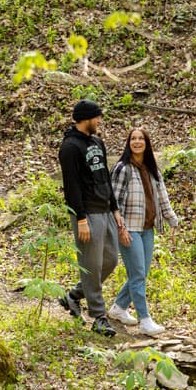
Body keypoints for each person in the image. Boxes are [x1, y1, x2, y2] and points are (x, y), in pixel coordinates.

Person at [57, 99, 127, 337]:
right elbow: (72, 187)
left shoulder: (97, 141)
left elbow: (105, 177)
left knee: (109, 261)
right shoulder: (70, 147)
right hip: (87, 214)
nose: (100, 121)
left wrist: (114, 209)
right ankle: (99, 316)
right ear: (86, 118)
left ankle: (74, 295)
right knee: (91, 266)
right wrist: (80, 219)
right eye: (97, 117)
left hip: (105, 210)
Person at [107, 126, 180, 336]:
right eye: (133, 139)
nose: (137, 142)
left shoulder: (152, 170)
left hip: (148, 229)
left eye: (141, 139)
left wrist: (172, 221)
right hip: (129, 229)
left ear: (146, 144)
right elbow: (114, 202)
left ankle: (119, 308)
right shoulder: (123, 168)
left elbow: (163, 198)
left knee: (141, 273)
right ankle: (144, 320)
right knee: (138, 274)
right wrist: (120, 229)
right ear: (129, 143)